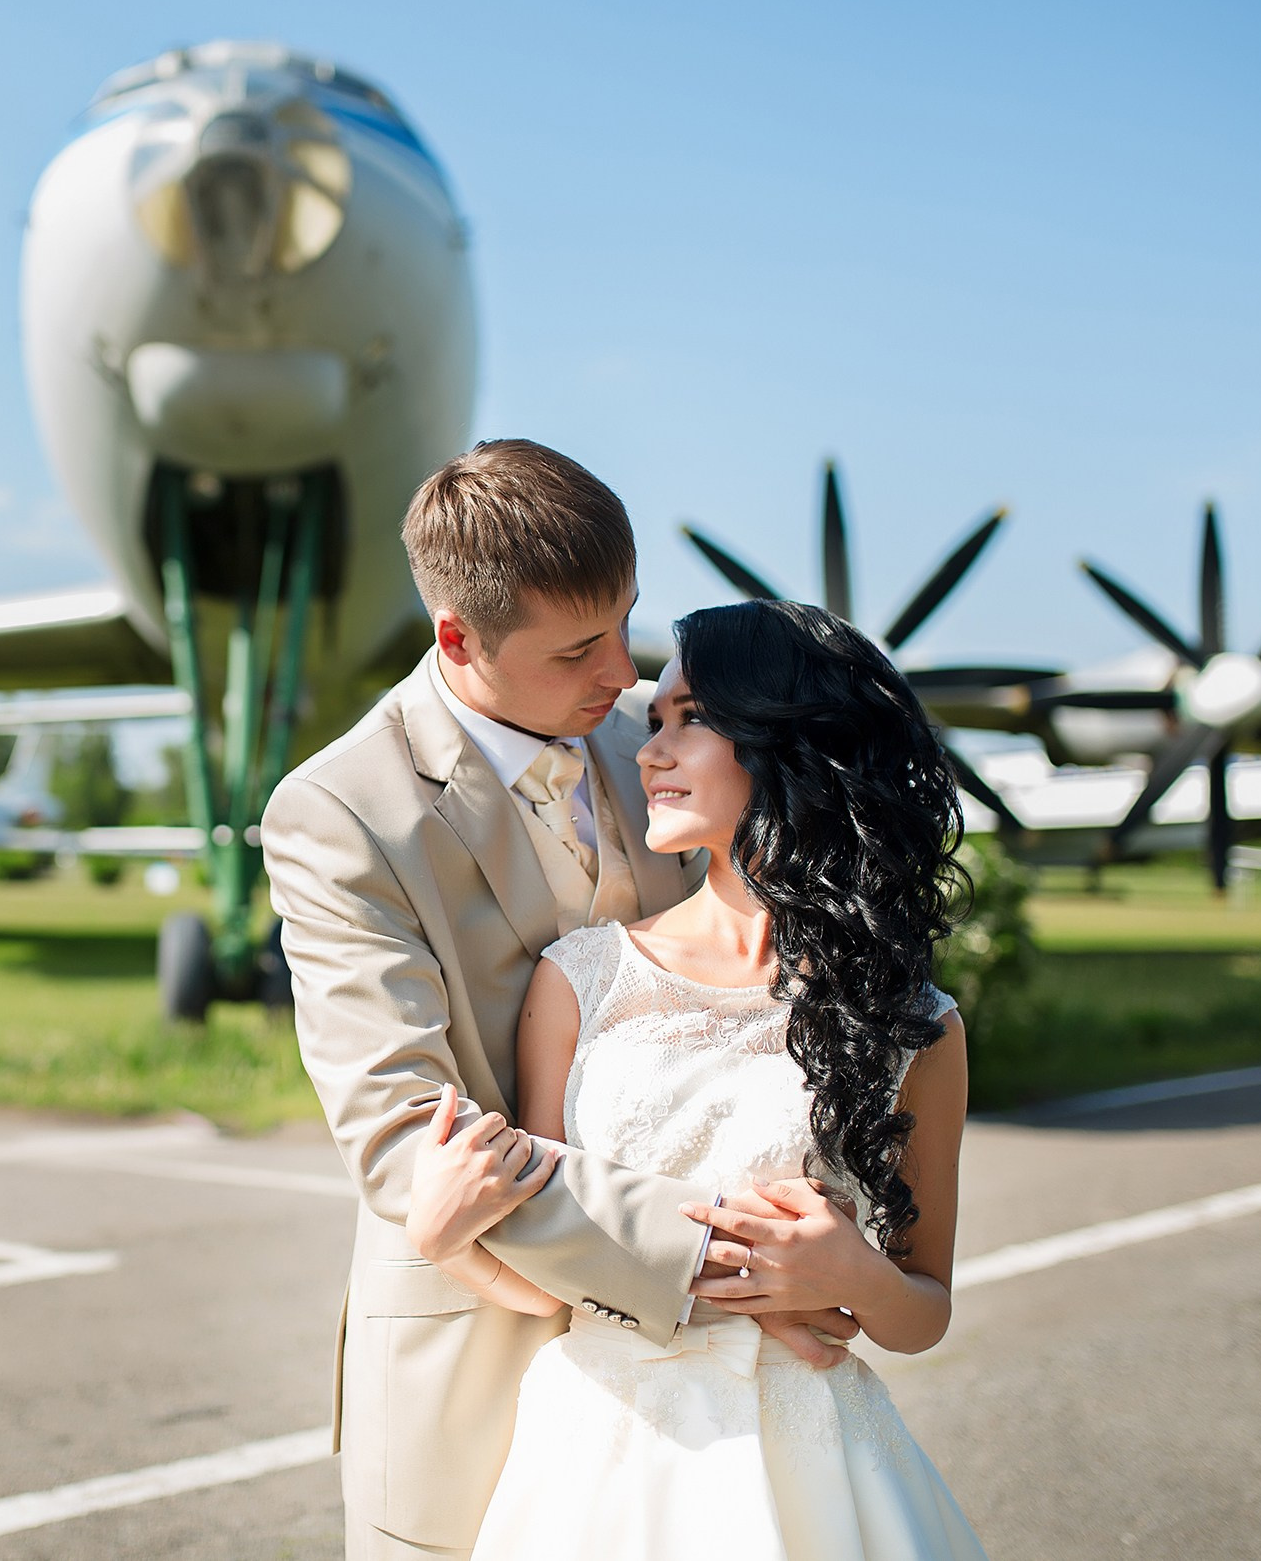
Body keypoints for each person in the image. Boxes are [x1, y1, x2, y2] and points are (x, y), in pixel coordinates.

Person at [262, 441, 856, 1560]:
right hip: (478, 1343)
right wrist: (728, 1272)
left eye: (627, 620)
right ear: (457, 639)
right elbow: (407, 1139)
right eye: (579, 647)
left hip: (714, 1402)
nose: (617, 672)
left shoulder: (660, 739)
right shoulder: (340, 811)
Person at [406, 597, 987, 1559]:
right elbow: (549, 1271)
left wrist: (856, 1274)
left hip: (809, 1459)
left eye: (690, 719)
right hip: (603, 1457)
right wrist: (446, 1240)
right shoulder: (581, 977)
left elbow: (923, 1308)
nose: (649, 750)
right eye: (655, 719)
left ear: (787, 739)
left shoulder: (914, 1022)